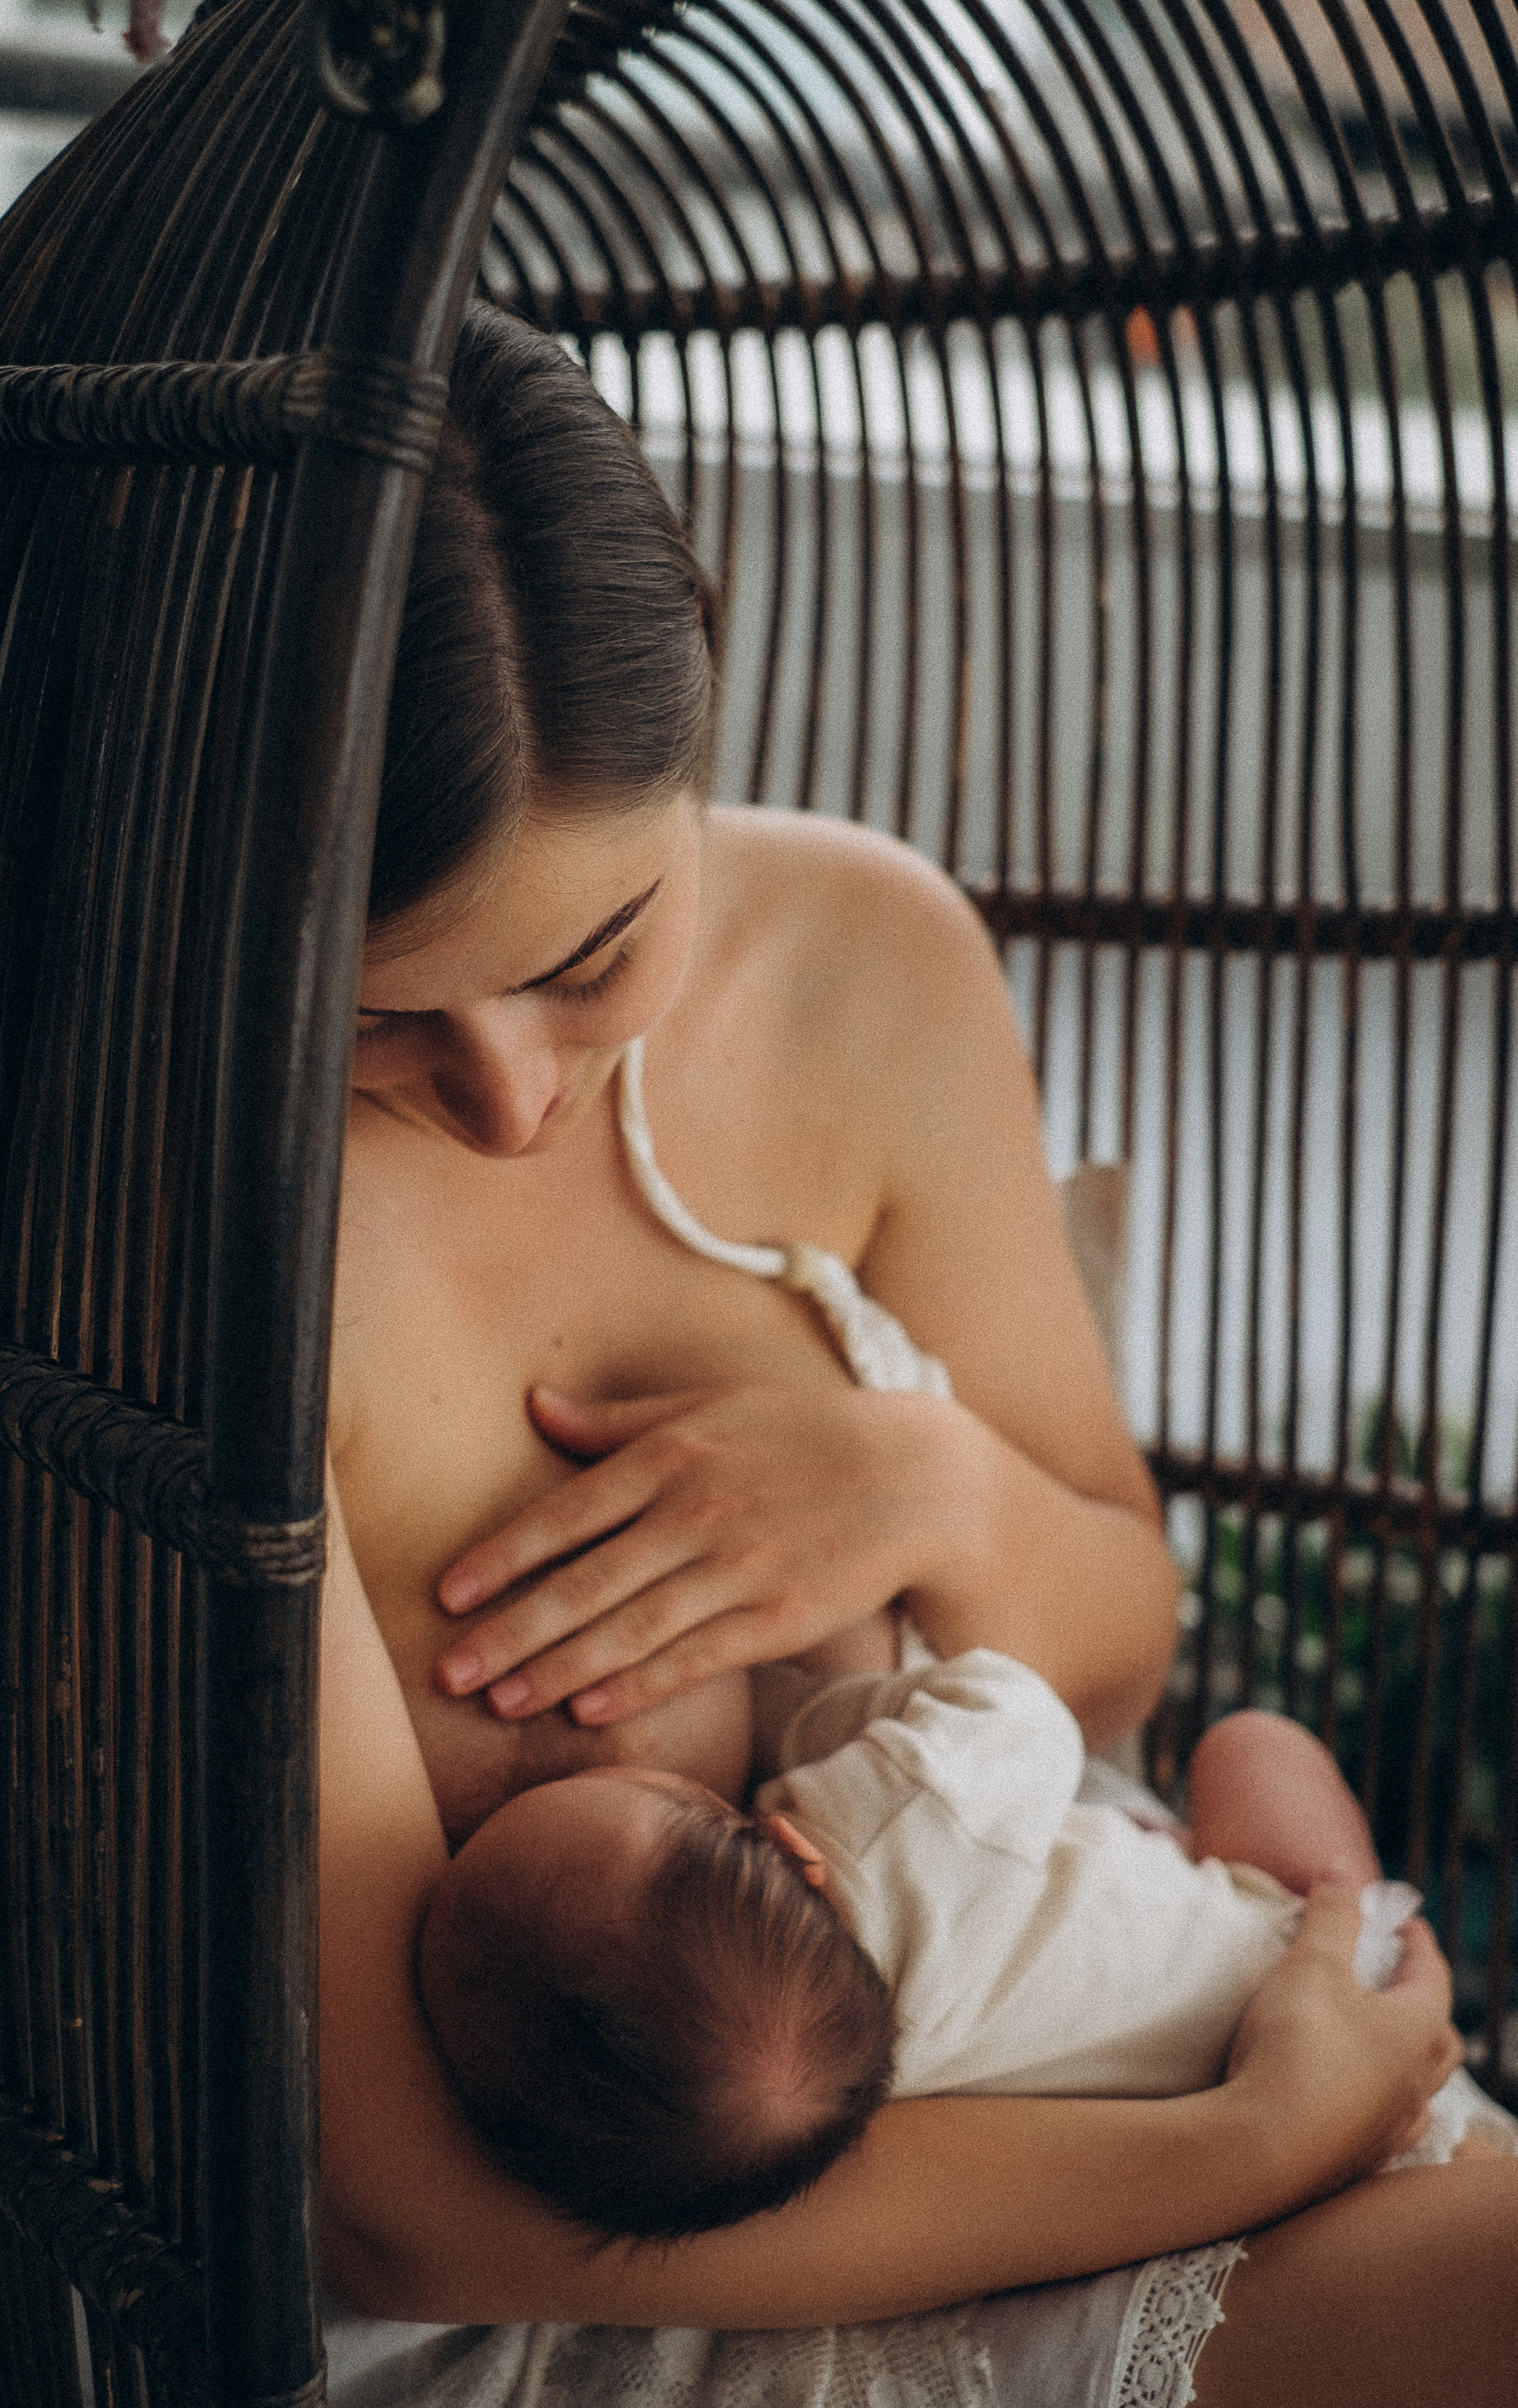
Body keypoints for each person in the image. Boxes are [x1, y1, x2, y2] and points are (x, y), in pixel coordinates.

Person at [320, 300, 1516, 2406]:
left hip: (1080, 2016)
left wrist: (921, 1483)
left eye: (595, 954)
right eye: (378, 1011)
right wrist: (1250, 2139)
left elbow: (1128, 1658)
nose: (507, 1096)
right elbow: (403, 2202)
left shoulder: (867, 962)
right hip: (611, 2263)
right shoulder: (181, 1196)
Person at [413, 1656, 1515, 2247]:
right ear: (789, 1848)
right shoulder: (891, 1819)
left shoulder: (838, 2095)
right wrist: (818, 1721)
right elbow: (1020, 1709)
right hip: (1308, 1964)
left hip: (1226, 2074)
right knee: (1251, 1745)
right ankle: (1389, 1922)